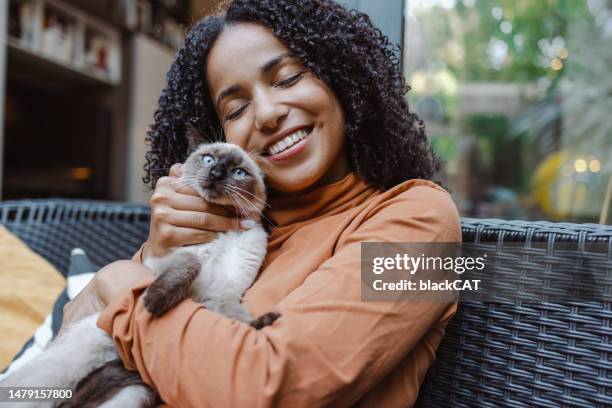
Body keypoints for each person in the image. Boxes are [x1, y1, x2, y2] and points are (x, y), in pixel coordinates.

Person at [61, 0, 461, 406]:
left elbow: (267, 387)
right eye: (236, 109)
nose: (267, 114)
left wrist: (121, 280)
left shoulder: (421, 220)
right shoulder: (232, 226)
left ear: (341, 77)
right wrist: (154, 256)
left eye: (287, 78)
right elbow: (70, 339)